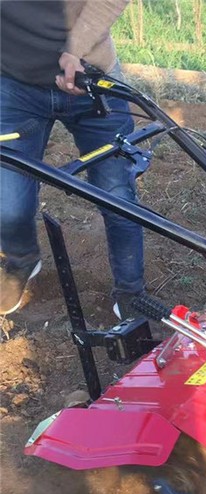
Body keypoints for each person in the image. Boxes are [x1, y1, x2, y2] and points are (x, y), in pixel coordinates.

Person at [0, 0, 144, 317]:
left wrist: (75, 49)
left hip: (91, 78)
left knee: (117, 194)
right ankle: (22, 259)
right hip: (15, 85)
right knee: (8, 201)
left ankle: (132, 292)